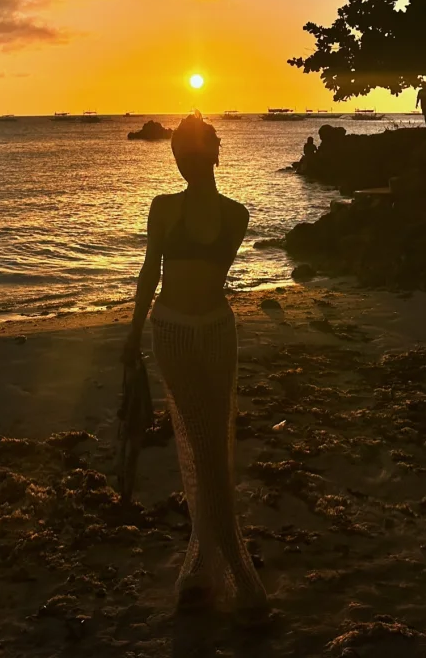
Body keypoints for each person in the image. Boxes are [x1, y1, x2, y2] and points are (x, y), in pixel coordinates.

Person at [122, 114, 268, 618]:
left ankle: (201, 569)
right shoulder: (163, 209)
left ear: (214, 153)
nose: (184, 159)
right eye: (178, 151)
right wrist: (132, 334)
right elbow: (149, 273)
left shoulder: (237, 215)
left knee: (212, 450)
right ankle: (242, 579)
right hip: (173, 332)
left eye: (192, 149)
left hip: (218, 333)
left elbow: (214, 275)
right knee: (206, 450)